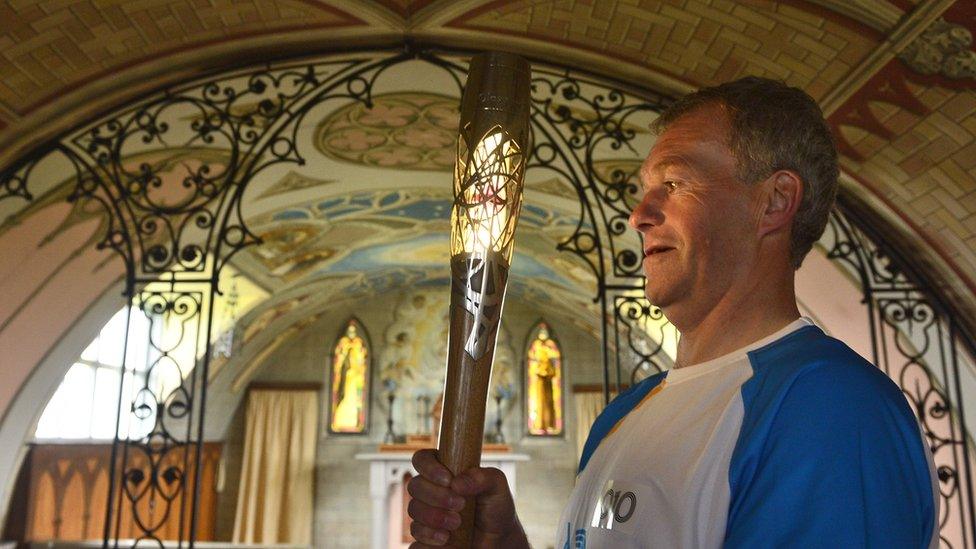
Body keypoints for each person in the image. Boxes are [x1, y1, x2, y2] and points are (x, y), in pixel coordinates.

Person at [406, 77, 939, 548]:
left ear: (775, 202)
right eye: (644, 189)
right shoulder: (625, 415)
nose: (639, 214)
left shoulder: (827, 408)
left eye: (675, 183)